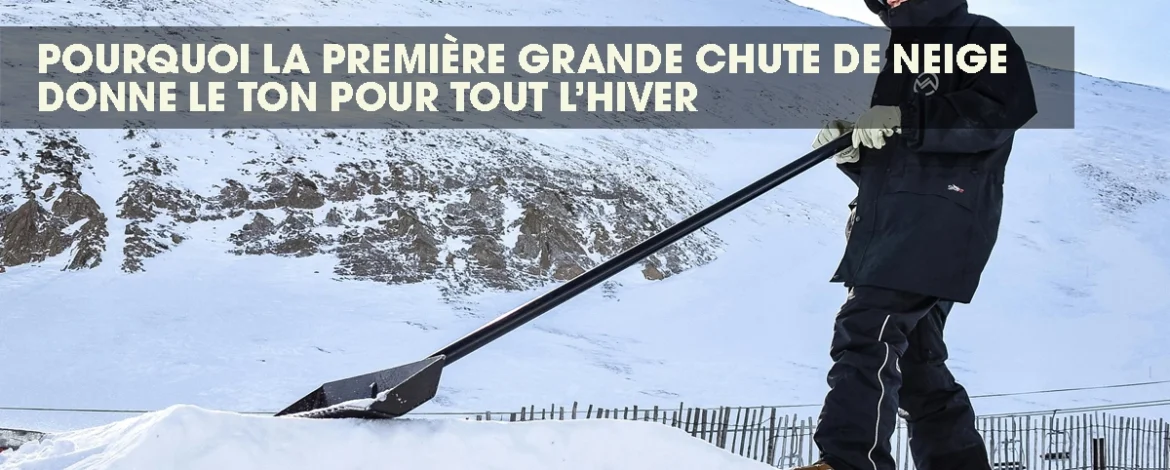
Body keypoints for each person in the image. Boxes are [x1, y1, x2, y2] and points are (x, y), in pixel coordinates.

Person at [792, 0, 1038, 469]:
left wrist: (906, 117)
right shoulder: (903, 54)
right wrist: (854, 154)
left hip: (940, 218)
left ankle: (847, 461)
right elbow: (903, 158)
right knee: (916, 365)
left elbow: (997, 112)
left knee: (868, 328)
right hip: (900, 221)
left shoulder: (977, 34)